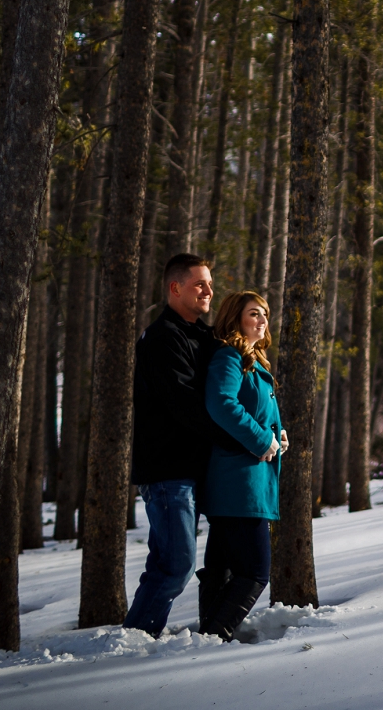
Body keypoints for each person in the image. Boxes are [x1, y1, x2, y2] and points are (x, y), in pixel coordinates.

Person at [122, 253, 234, 636]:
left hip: (201, 469)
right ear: (175, 288)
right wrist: (238, 436)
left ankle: (139, 639)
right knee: (176, 564)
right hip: (169, 472)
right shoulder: (162, 339)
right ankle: (136, 639)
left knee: (174, 561)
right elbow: (186, 406)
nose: (208, 291)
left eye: (209, 283)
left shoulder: (204, 336)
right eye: (199, 284)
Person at [198, 290, 288, 641]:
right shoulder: (230, 357)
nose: (263, 320)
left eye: (265, 314)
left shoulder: (255, 361)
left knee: (220, 567)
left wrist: (277, 436)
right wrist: (260, 440)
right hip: (239, 481)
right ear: (235, 318)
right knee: (254, 572)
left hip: (246, 479)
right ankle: (214, 636)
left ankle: (205, 638)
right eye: (254, 313)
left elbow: (258, 414)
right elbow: (220, 403)